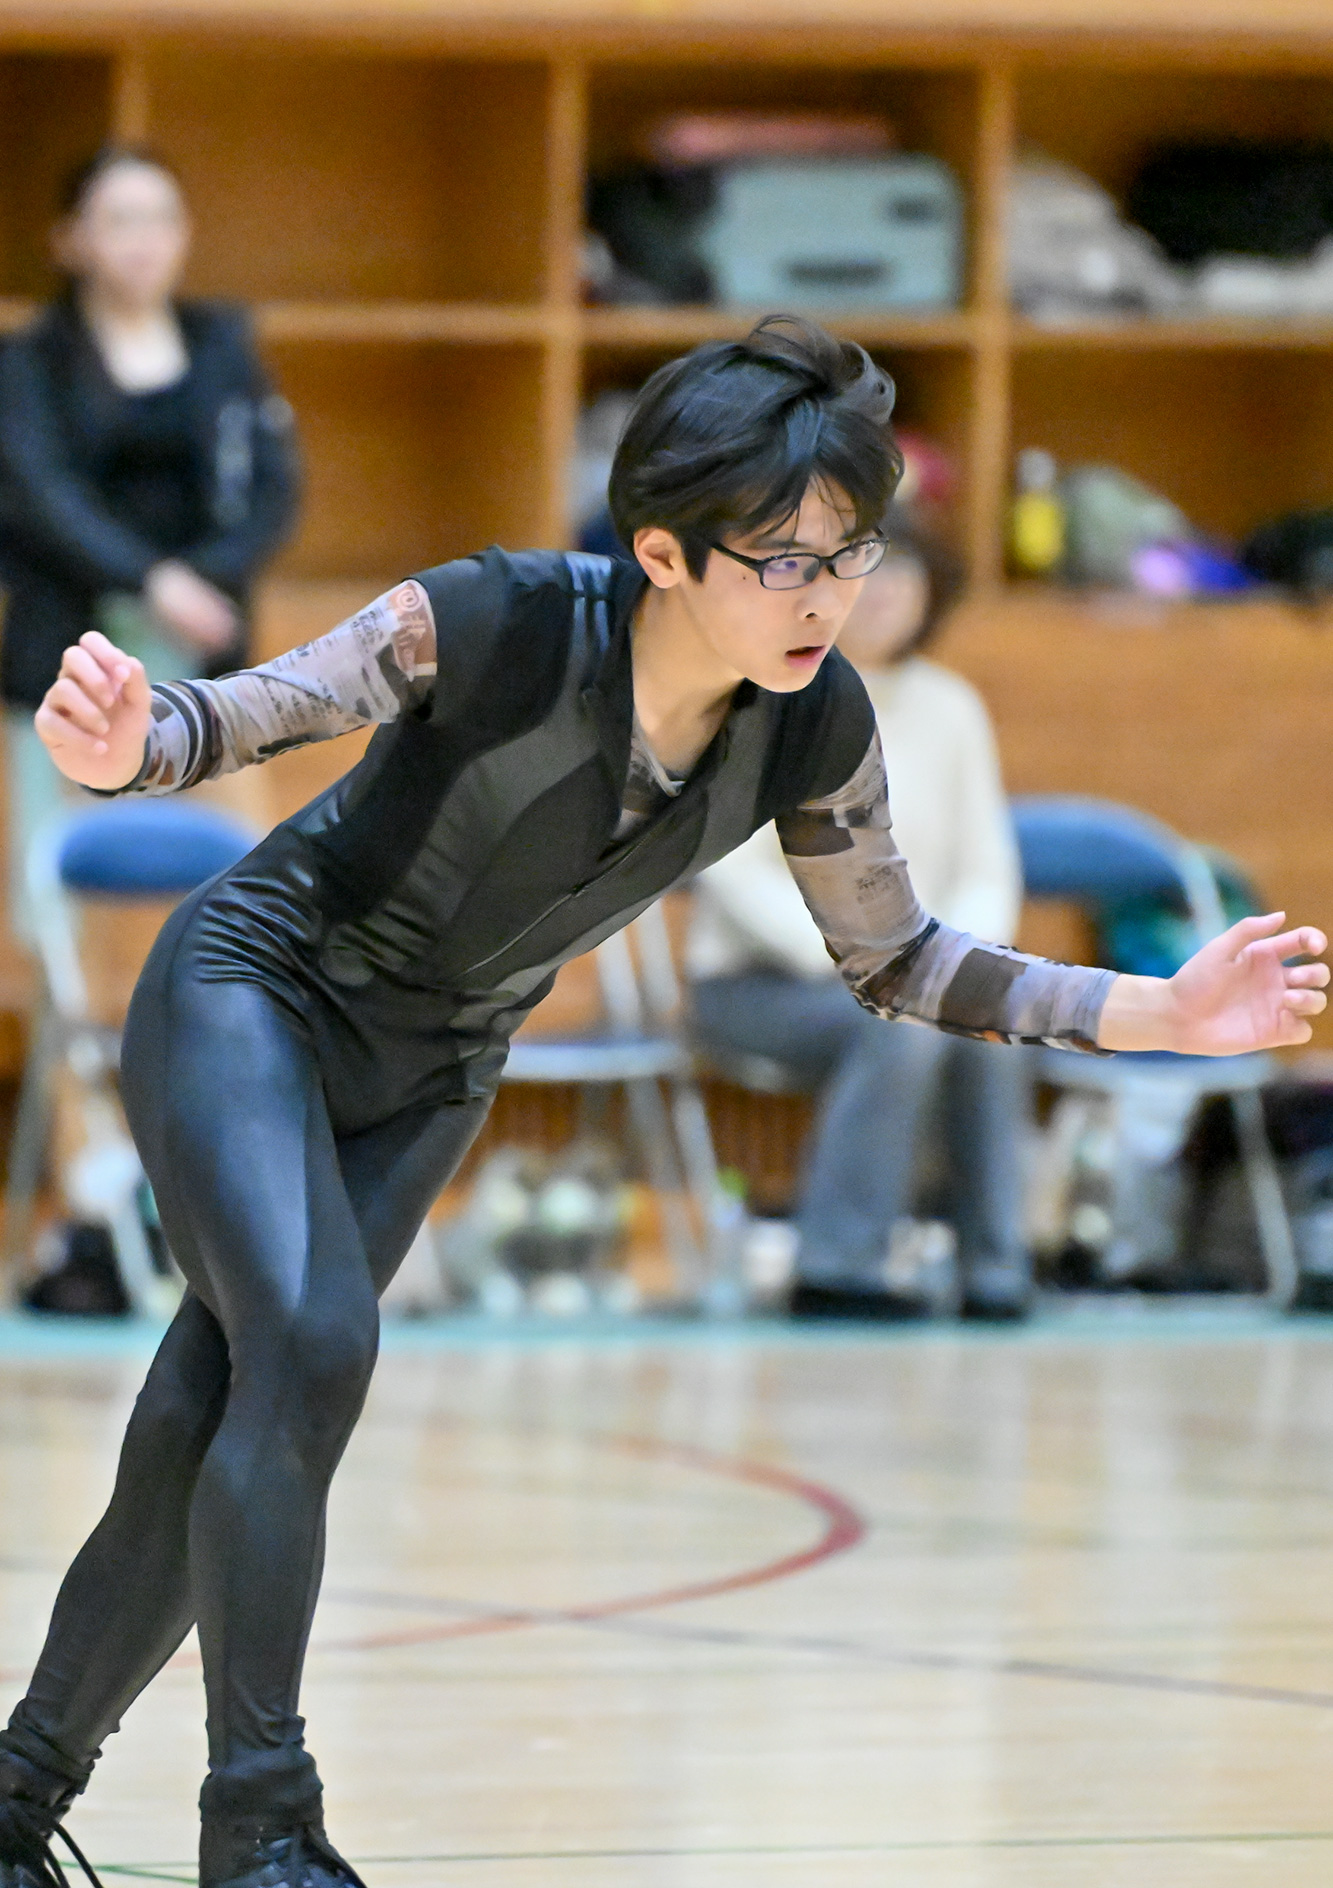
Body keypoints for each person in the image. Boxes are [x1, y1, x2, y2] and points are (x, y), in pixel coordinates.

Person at [0, 317, 1324, 1888]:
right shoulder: (491, 618)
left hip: (437, 1066)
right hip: (255, 997)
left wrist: (1159, 1013)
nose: (827, 597)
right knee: (309, 1345)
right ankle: (264, 1829)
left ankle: (17, 1801)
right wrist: (130, 741)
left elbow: (899, 959)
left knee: (210, 1414)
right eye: (785, 561)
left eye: (850, 552)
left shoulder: (814, 722)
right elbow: (246, 713)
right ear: (663, 553)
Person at [689, 521, 1033, 1318]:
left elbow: (987, 867)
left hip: (915, 970)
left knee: (994, 1021)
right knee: (901, 1027)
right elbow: (726, 867)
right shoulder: (759, 698)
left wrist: (953, 960)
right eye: (863, 575)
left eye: (901, 578)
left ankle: (995, 1271)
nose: (882, 595)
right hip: (762, 985)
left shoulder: (951, 706)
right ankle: (837, 1268)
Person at [0, 143, 298, 928]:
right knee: (57, 894)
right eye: (120, 220)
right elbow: (40, 496)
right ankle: (64, 1007)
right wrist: (152, 582)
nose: (144, 239)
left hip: (207, 643)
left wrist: (203, 582)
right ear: (70, 240)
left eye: (162, 219)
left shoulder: (223, 342)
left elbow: (273, 486)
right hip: (67, 641)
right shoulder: (29, 361)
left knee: (244, 890)